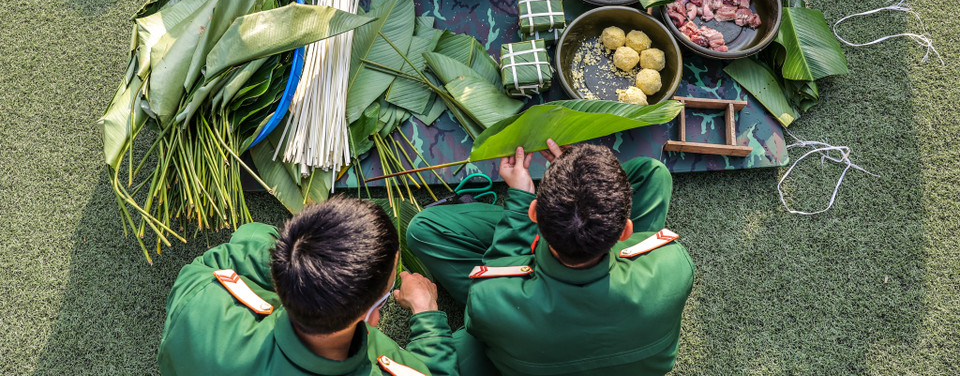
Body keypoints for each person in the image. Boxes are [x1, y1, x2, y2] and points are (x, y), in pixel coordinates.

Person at [407, 140, 695, 376]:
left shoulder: (489, 298)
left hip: (519, 339)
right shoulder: (673, 263)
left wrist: (519, 198)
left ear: (534, 215)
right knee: (652, 173)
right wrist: (591, 183)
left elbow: (500, 270)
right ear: (626, 232)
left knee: (423, 230)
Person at [158, 196, 458, 376]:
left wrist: (299, 260)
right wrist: (426, 311)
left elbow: (229, 254)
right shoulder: (390, 367)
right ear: (372, 316)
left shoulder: (200, 303)